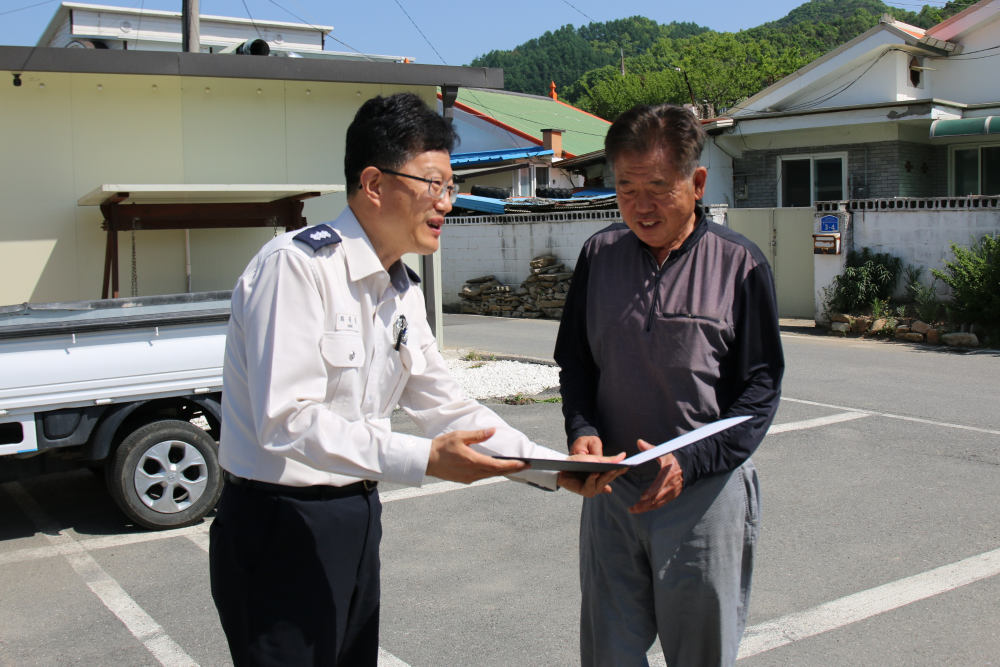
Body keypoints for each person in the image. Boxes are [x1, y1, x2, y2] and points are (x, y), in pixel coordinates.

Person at [209, 92, 623, 667]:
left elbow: (448, 407)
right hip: (279, 524)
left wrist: (554, 468)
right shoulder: (297, 268)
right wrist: (425, 459)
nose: (446, 203)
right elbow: (286, 422)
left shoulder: (400, 289)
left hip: (356, 517)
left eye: (450, 187)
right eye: (434, 184)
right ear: (374, 184)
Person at [554, 103, 785, 667]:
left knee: (702, 655)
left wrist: (693, 461)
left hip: (704, 496)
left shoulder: (740, 264)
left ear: (697, 183)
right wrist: (582, 429)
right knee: (608, 654)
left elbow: (759, 392)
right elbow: (576, 362)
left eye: (657, 187)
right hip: (612, 494)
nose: (640, 205)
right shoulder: (599, 255)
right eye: (626, 188)